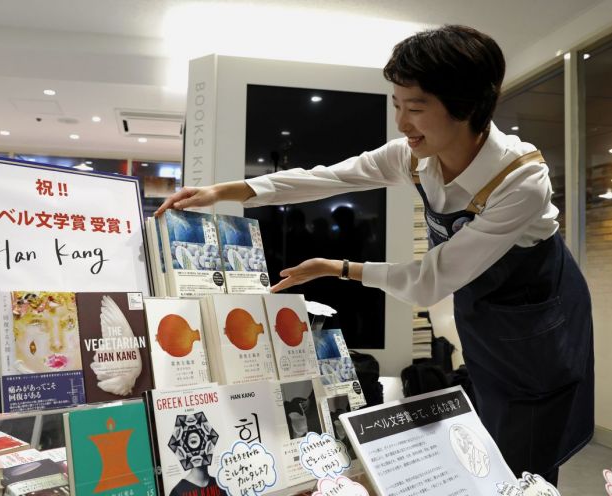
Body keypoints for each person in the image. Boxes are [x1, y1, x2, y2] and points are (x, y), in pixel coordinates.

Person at [156, 24, 594, 485]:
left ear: (466, 106)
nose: (403, 124)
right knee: (486, 443)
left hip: (538, 324)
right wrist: (226, 190)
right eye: (397, 106)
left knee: (528, 456)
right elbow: (331, 177)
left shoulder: (519, 180)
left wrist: (336, 268)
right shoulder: (415, 156)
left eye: (417, 108)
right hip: (484, 318)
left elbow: (430, 280)